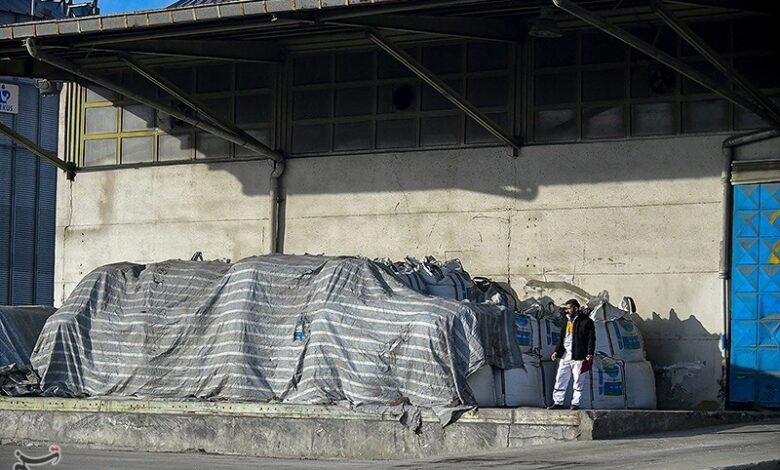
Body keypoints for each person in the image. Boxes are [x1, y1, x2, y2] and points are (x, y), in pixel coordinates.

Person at [547, 299, 595, 410]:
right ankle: (558, 402)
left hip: (579, 356)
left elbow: (591, 339)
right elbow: (562, 338)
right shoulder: (566, 321)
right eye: (566, 308)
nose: (567, 311)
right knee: (560, 378)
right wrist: (556, 351)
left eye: (569, 308)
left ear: (576, 308)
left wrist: (589, 353)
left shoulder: (586, 322)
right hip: (565, 355)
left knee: (578, 380)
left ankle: (575, 403)